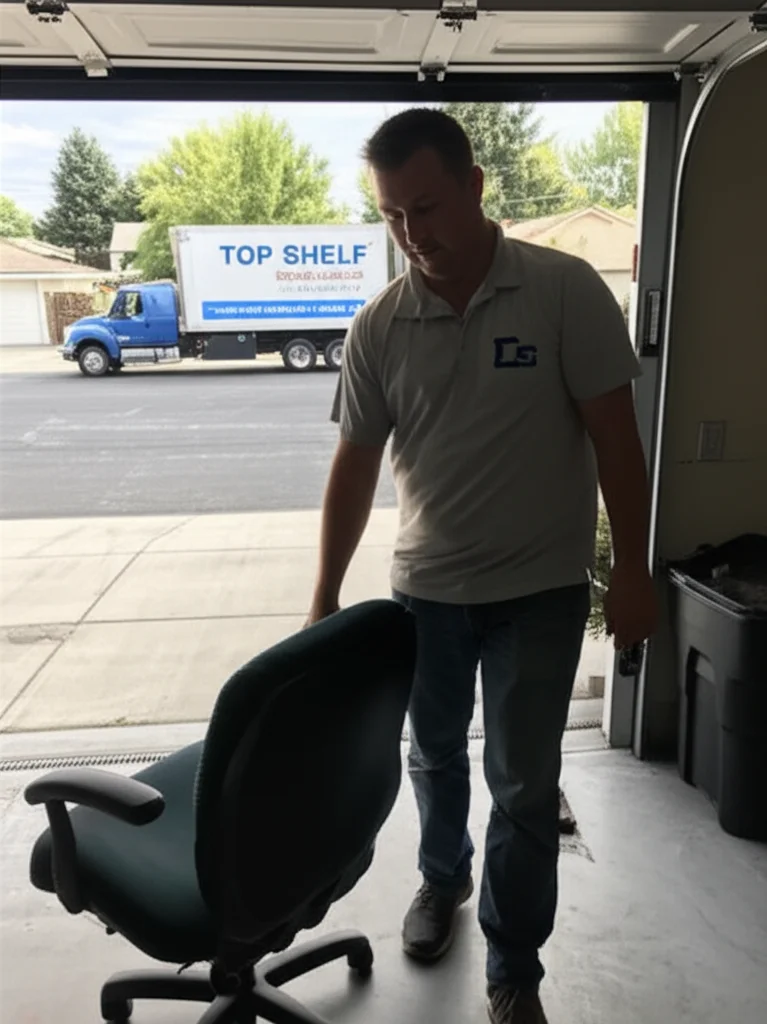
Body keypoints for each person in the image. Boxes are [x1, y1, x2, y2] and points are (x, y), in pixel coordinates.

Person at [306, 108, 658, 1024]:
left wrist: (632, 571)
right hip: (425, 594)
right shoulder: (380, 324)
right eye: (392, 216)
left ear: (474, 186)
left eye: (427, 206)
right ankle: (440, 879)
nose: (413, 234)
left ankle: (513, 968)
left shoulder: (563, 291)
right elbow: (352, 465)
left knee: (522, 783)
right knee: (431, 758)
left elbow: (618, 446)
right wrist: (323, 597)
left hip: (538, 594)